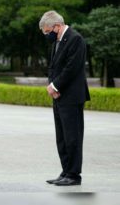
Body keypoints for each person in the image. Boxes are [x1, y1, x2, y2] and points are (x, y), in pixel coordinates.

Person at [39, 10, 90, 186]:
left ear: (57, 26)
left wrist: (55, 86)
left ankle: (74, 175)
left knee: (72, 137)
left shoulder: (75, 39)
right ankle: (65, 171)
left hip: (72, 96)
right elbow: (53, 67)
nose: (47, 36)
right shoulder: (58, 41)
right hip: (59, 96)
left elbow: (72, 67)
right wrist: (52, 86)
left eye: (47, 32)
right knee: (61, 137)